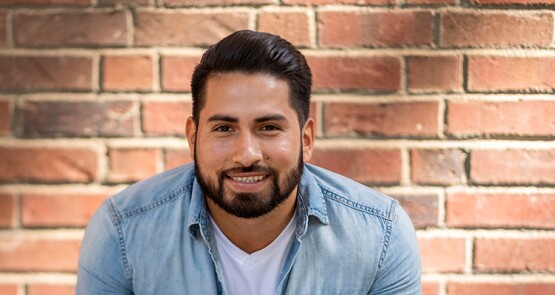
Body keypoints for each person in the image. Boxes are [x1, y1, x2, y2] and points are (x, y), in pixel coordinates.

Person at [76, 30, 422, 295]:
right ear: (193, 137)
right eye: (224, 128)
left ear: (306, 139)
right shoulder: (123, 233)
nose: (247, 155)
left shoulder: (380, 235)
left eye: (269, 128)